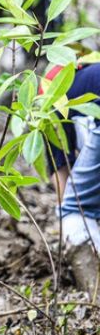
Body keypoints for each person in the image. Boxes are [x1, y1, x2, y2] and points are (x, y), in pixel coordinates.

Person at [45, 63, 100, 294]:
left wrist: (64, 227)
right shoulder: (86, 75)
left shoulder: (47, 103)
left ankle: (94, 294)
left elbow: (61, 175)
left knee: (75, 208)